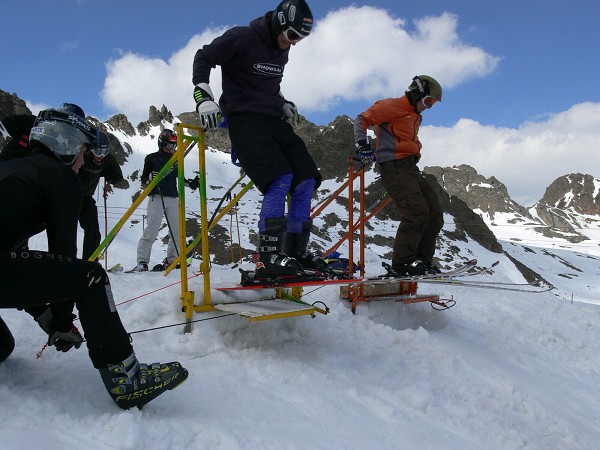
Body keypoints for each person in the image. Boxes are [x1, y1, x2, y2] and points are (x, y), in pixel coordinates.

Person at [0, 106, 188, 409]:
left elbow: (16, 260)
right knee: (90, 275)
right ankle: (127, 378)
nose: (84, 163)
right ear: (68, 146)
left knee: (3, 345)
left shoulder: (12, 169)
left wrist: (46, 316)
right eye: (84, 154)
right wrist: (60, 319)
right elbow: (63, 254)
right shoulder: (59, 176)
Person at [192, 0, 328, 279]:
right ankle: (268, 257)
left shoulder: (283, 48)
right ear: (279, 22)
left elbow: (268, 85)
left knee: (306, 179)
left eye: (300, 39)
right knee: (280, 179)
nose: (294, 43)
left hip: (272, 120)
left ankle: (295, 253)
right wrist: (203, 97)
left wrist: (281, 103)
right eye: (292, 35)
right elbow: (203, 57)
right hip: (244, 121)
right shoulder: (242, 38)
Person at [353, 75, 444, 276]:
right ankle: (403, 263)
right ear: (417, 92)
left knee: (435, 213)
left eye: (433, 104)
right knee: (416, 211)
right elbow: (361, 119)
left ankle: (422, 262)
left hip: (411, 167)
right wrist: (362, 144)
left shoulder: (414, 114)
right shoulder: (393, 106)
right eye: (428, 101)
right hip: (394, 166)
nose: (429, 107)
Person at [132, 129, 199, 272]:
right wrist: (151, 179)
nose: (171, 149)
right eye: (169, 145)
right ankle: (142, 262)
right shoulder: (151, 158)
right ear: (161, 143)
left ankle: (173, 260)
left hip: (173, 197)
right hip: (157, 197)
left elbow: (179, 178)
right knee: (151, 230)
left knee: (177, 230)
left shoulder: (176, 158)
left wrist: (191, 184)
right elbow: (144, 180)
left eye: (174, 146)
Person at [78, 131, 129, 260]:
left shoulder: (107, 160)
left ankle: (89, 262)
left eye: (104, 152)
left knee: (93, 232)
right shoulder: (81, 155)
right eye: (97, 152)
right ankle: (65, 259)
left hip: (86, 198)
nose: (100, 156)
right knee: (65, 229)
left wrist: (109, 175)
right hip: (70, 196)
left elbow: (117, 178)